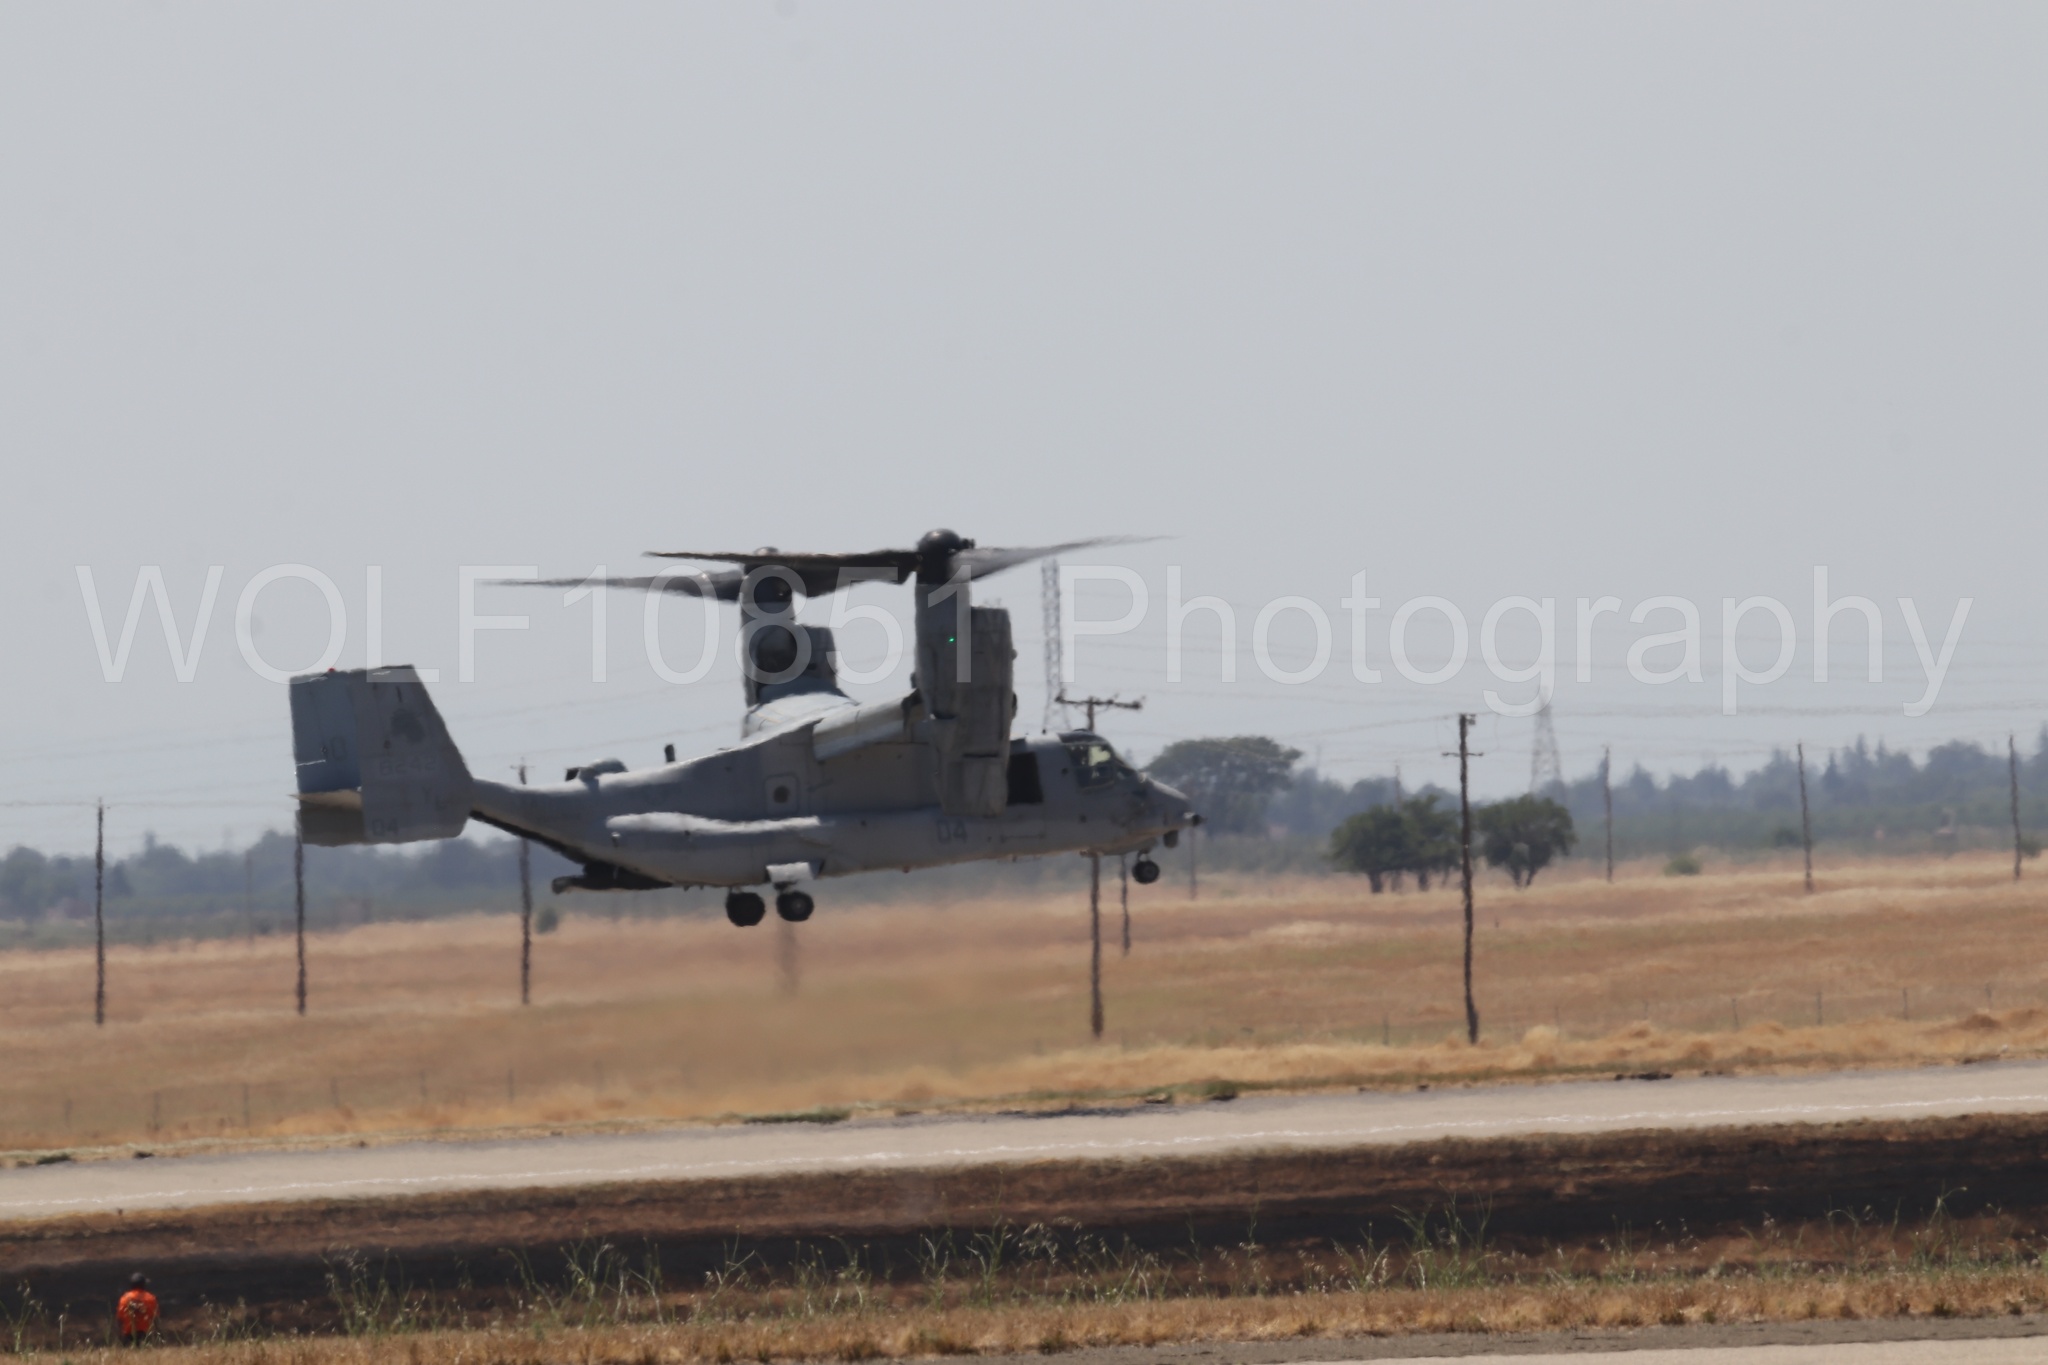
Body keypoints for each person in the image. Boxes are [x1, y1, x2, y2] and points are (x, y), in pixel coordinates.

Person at [116, 1273, 157, 1345]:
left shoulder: (124, 1298)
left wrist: (120, 1334)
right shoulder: (150, 1298)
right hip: (145, 1334)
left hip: (128, 1334)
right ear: (143, 1285)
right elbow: (154, 1317)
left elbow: (120, 1318)